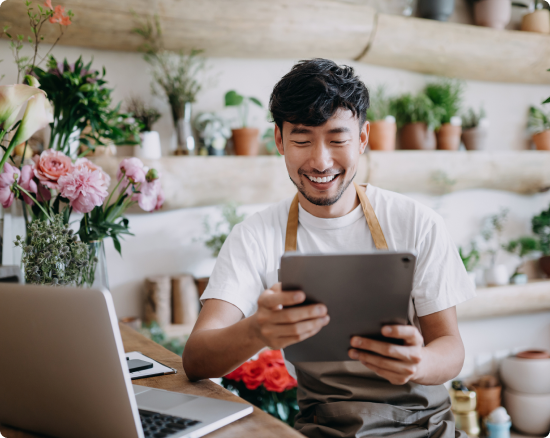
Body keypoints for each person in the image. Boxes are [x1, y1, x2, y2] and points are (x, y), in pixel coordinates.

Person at [182, 58, 476, 438]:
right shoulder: (254, 236)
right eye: (302, 140)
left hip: (424, 427)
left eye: (338, 140)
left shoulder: (416, 222)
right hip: (324, 430)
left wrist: (418, 362)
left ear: (364, 138)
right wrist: (258, 329)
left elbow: (450, 347)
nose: (320, 161)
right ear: (278, 140)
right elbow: (195, 358)